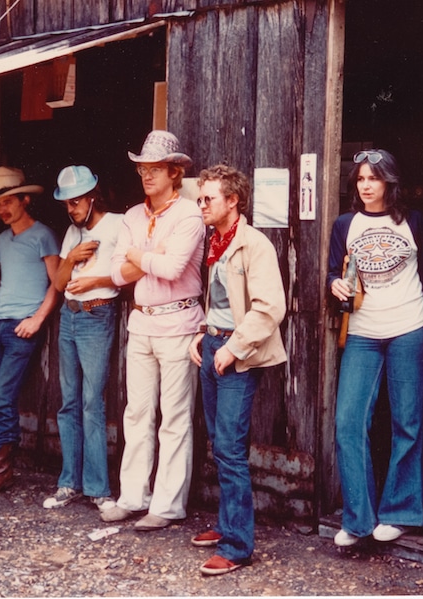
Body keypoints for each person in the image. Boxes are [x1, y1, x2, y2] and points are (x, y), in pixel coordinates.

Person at [326, 149, 423, 548]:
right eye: (360, 179)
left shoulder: (415, 221)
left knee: (406, 422)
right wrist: (332, 284)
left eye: (374, 178)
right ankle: (357, 519)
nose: (367, 185)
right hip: (362, 331)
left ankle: (401, 512)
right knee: (348, 422)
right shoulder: (345, 224)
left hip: (410, 327)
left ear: (389, 182)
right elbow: (332, 271)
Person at [102, 130, 205, 531]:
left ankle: (167, 505)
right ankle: (133, 496)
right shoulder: (131, 215)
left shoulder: (190, 214)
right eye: (143, 168)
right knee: (137, 412)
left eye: (156, 168)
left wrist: (135, 255)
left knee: (175, 417)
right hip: (142, 320)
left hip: (179, 322)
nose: (147, 175)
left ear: (175, 172)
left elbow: (172, 269)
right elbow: (115, 273)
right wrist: (147, 255)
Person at [187, 165, 287, 576]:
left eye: (209, 198)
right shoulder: (216, 240)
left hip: (238, 353)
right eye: (200, 198)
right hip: (213, 343)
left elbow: (269, 309)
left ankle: (237, 545)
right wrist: (201, 332)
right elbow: (216, 299)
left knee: (228, 447)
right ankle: (229, 524)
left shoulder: (254, 245)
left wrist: (232, 347)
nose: (202, 205)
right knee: (221, 443)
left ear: (233, 201)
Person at [0, 167, 60, 496]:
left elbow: (57, 284)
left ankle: (1, 471)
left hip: (23, 327)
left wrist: (37, 320)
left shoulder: (44, 235)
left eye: (8, 202)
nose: (2, 209)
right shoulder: (2, 240)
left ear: (25, 200)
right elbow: (10, 279)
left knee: (3, 398)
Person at [43, 166, 124, 512]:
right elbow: (59, 283)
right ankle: (69, 483)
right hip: (69, 314)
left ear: (93, 197)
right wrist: (72, 258)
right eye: (67, 204)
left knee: (93, 401)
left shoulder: (118, 225)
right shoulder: (71, 233)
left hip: (97, 312)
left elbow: (126, 275)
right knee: (69, 402)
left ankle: (98, 488)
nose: (71, 209)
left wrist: (92, 280)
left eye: (76, 202)